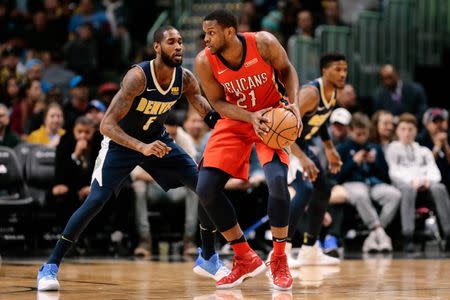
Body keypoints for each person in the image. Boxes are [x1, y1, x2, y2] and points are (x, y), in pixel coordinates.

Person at [36, 25, 228, 291]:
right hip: (121, 144)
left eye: (181, 42)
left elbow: (205, 110)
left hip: (157, 141)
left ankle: (208, 257)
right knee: (95, 201)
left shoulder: (184, 79)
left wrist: (230, 127)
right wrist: (140, 147)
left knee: (205, 188)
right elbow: (107, 125)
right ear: (157, 47)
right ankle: (50, 266)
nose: (179, 47)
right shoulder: (138, 77)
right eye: (172, 42)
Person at [194, 9, 301, 290]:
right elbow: (217, 102)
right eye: (205, 33)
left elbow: (288, 70)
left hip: (272, 117)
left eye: (211, 32)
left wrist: (295, 106)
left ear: (230, 31)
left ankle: (279, 258)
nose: (206, 38)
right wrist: (249, 116)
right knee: (205, 188)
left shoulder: (263, 42)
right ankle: (244, 257)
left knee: (277, 184)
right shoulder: (205, 61)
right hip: (238, 120)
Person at [287, 53, 347, 267]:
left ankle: (309, 249)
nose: (343, 74)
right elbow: (285, 127)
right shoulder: (310, 93)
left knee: (323, 190)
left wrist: (330, 149)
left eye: (345, 70)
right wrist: (302, 158)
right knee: (305, 190)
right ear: (324, 71)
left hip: (301, 144)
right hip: (284, 143)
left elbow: (320, 121)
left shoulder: (332, 93)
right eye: (338, 69)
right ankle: (281, 252)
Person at [335, 113, 401, 252]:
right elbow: (338, 177)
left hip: (373, 184)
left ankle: (375, 234)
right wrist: (353, 162)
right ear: (351, 131)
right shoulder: (342, 149)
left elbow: (385, 175)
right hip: (353, 184)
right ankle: (380, 234)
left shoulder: (374, 148)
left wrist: (375, 163)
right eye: (358, 134)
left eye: (365, 134)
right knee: (360, 195)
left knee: (394, 195)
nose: (362, 138)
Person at [385, 113, 450, 253]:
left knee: (440, 187)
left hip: (425, 187)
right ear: (397, 131)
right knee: (408, 189)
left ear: (416, 131)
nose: (407, 133)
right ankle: (408, 237)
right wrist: (411, 181)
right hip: (404, 187)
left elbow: (434, 170)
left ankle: (448, 234)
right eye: (403, 129)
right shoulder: (393, 148)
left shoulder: (423, 151)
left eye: (410, 129)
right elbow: (394, 172)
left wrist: (428, 180)